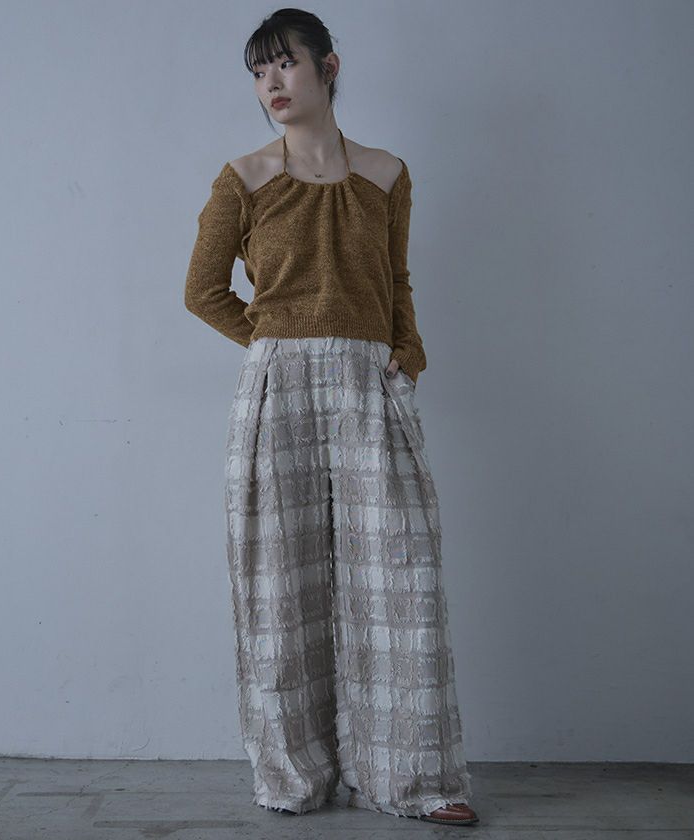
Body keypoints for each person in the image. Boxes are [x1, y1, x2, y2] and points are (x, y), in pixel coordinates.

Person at [184, 8, 479, 828]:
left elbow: (396, 282)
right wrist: (272, 343)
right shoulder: (243, 178)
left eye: (285, 63)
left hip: (368, 382)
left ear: (329, 66)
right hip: (277, 388)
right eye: (258, 72)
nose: (271, 84)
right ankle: (294, 775)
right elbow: (202, 291)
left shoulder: (386, 174)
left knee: (399, 577)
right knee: (281, 585)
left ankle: (415, 778)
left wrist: (406, 352)